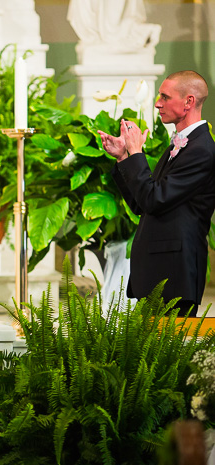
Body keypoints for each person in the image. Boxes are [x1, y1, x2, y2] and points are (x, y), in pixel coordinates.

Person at [98, 71, 215, 316]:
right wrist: (123, 158)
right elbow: (143, 205)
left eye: (165, 96)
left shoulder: (201, 149)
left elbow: (154, 199)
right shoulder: (180, 144)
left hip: (175, 275)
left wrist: (137, 153)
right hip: (158, 272)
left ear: (189, 102)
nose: (157, 103)